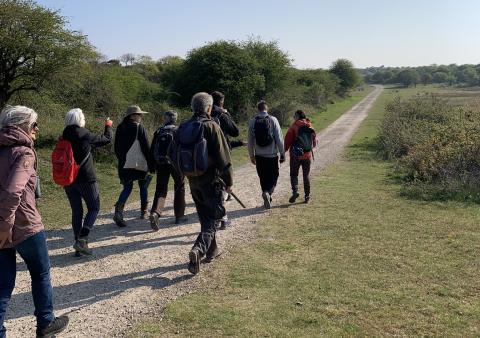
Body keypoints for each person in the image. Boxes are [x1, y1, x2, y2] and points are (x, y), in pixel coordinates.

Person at [0, 106, 69, 338]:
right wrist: (5, 224)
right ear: (22, 126)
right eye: (33, 124)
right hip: (24, 225)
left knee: (2, 285)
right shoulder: (24, 153)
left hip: (1, 227)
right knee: (41, 273)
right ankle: (45, 323)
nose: (37, 129)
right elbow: (12, 191)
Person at [173, 92, 233, 275]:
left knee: (205, 217)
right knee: (214, 219)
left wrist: (184, 174)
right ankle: (198, 249)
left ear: (193, 108)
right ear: (208, 108)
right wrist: (229, 182)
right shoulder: (212, 126)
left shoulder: (182, 127)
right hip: (211, 180)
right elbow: (224, 158)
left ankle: (211, 251)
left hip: (193, 180)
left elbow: (172, 155)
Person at [62, 108, 113, 256]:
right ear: (79, 120)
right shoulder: (82, 133)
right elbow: (105, 139)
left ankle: (78, 244)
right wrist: (108, 126)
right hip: (85, 178)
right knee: (94, 207)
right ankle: (82, 240)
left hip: (68, 179)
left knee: (77, 211)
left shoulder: (64, 134)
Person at [113, 105, 154, 227]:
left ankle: (118, 212)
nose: (141, 117)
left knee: (127, 188)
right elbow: (146, 148)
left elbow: (116, 147)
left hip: (124, 164)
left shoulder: (120, 127)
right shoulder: (139, 127)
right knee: (143, 186)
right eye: (139, 114)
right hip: (139, 163)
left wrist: (122, 159)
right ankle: (144, 212)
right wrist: (151, 164)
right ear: (132, 115)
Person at [149, 110, 187, 230]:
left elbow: (152, 149)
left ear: (166, 119)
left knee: (161, 189)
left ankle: (156, 212)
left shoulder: (159, 131)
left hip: (161, 163)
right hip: (176, 164)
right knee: (179, 186)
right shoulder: (179, 130)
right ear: (175, 119)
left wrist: (152, 166)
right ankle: (179, 216)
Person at [210, 91, 240, 229]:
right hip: (221, 152)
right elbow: (235, 131)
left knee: (211, 183)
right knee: (222, 182)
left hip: (204, 154)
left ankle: (214, 214)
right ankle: (222, 218)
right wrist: (226, 114)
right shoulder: (221, 114)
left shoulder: (204, 114)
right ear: (221, 101)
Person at [247, 100, 285, 209]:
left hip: (259, 156)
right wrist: (282, 154)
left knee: (263, 177)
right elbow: (279, 138)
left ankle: (265, 192)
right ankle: (268, 193)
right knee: (274, 176)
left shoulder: (253, 121)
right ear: (266, 108)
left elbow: (249, 141)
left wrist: (251, 155)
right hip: (272, 155)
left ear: (258, 109)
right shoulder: (273, 120)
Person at [284, 110, 317, 204]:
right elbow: (314, 142)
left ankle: (295, 191)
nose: (293, 117)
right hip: (307, 155)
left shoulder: (294, 126)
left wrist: (284, 152)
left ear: (298, 116)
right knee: (306, 175)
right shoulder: (309, 125)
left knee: (294, 174)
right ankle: (307, 196)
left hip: (295, 155)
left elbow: (287, 141)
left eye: (294, 116)